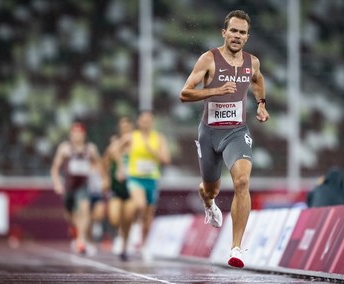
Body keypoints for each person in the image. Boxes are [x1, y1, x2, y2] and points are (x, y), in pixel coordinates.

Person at [179, 10, 269, 268]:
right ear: (224, 32)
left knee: (242, 180)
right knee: (211, 190)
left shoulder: (253, 62)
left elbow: (258, 81)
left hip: (236, 132)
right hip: (209, 134)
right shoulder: (209, 59)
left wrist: (262, 105)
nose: (237, 36)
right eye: (233, 31)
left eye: (242, 32)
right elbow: (184, 94)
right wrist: (217, 90)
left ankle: (236, 248)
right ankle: (208, 201)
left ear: (247, 36)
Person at [50, 122, 106, 254]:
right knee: (70, 215)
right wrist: (57, 183)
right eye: (74, 133)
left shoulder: (90, 149)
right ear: (70, 134)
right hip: (69, 186)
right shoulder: (65, 149)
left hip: (83, 185)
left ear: (84, 134)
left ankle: (81, 240)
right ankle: (76, 232)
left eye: (79, 133)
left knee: (85, 210)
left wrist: (102, 179)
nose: (77, 136)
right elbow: (54, 169)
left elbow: (99, 164)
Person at [126, 111, 171, 252]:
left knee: (148, 214)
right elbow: (114, 151)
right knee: (140, 205)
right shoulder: (131, 137)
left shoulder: (158, 138)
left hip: (151, 179)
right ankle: (134, 229)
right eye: (143, 120)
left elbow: (166, 160)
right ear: (138, 121)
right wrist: (121, 167)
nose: (146, 122)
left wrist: (153, 151)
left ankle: (144, 244)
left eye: (149, 120)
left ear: (152, 122)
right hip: (135, 177)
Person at [102, 117, 136, 261]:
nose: (125, 130)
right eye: (123, 128)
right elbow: (105, 160)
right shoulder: (116, 144)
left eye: (127, 128)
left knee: (128, 218)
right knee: (115, 218)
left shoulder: (136, 144)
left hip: (132, 188)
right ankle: (121, 235)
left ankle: (125, 244)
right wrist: (106, 178)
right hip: (117, 188)